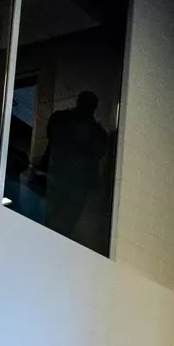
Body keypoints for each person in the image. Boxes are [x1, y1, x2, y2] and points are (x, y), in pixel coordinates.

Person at [43, 91, 109, 237]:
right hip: (60, 177)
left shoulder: (96, 133)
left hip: (73, 181)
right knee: (56, 217)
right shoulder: (62, 120)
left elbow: (99, 150)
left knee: (64, 218)